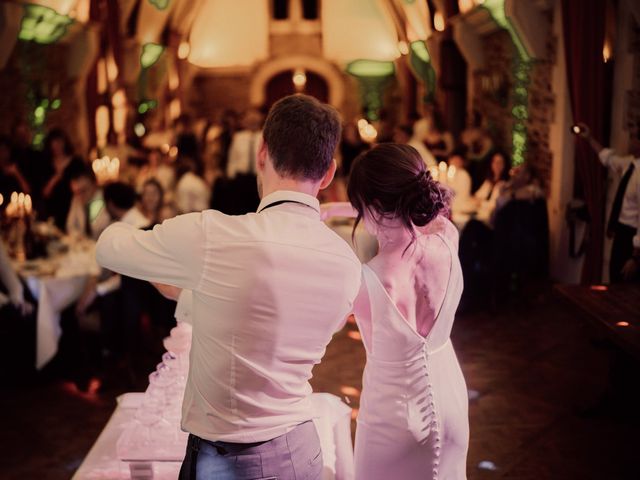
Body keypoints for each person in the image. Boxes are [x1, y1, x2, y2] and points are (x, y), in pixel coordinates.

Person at [96, 94, 362, 480]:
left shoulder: (213, 236)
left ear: (261, 153)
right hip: (301, 448)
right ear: (328, 174)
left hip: (231, 461)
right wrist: (192, 293)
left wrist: (139, 225)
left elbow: (109, 247)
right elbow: (269, 316)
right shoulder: (345, 261)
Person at [322, 143, 468, 479]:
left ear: (370, 208)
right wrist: (338, 210)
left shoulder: (367, 282)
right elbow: (420, 215)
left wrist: (326, 216)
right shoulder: (447, 237)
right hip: (452, 401)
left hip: (395, 416)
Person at [578, 124, 640, 282]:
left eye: (633, 137)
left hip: (632, 236)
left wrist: (635, 256)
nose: (629, 140)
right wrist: (589, 138)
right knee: (614, 278)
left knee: (626, 285)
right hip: (621, 231)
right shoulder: (629, 164)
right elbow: (609, 159)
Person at [41, 129, 86, 230]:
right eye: (54, 142)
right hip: (53, 210)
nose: (57, 146)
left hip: (73, 205)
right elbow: (44, 193)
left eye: (60, 142)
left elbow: (85, 183)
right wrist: (55, 178)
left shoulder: (76, 162)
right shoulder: (46, 164)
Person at [65, 164, 111, 240]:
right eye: (76, 192)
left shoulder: (107, 201)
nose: (80, 197)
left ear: (95, 184)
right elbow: (70, 226)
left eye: (84, 190)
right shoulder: (76, 198)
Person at [474, 150, 511, 223]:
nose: (497, 165)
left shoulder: (505, 185)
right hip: (479, 215)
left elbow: (494, 206)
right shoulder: (488, 181)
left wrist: (480, 203)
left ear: (505, 165)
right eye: (495, 162)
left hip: (490, 221)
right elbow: (477, 196)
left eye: (500, 162)